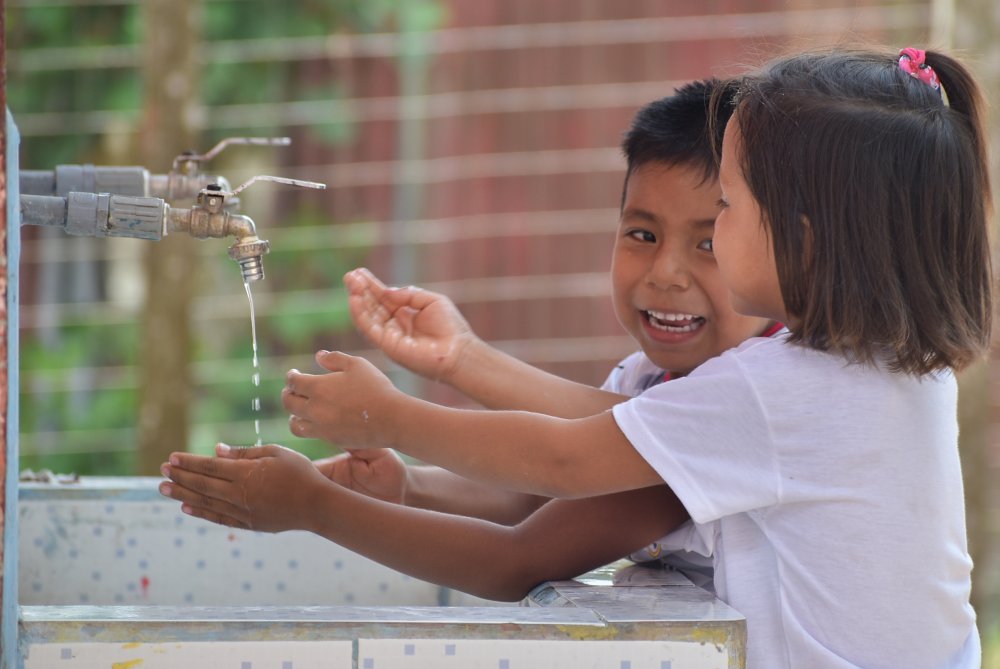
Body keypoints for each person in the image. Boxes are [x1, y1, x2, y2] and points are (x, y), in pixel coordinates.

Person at [162, 47, 991, 668]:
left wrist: (382, 426)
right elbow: (618, 434)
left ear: (805, 240)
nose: (677, 265)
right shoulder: (877, 372)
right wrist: (456, 374)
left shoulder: (785, 391)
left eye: (725, 214)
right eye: (643, 232)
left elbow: (566, 463)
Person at [159, 80, 783, 599]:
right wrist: (408, 485)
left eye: (708, 243)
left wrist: (328, 493)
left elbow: (521, 549)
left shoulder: (764, 398)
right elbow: (534, 495)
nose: (665, 273)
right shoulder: (650, 381)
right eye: (641, 234)